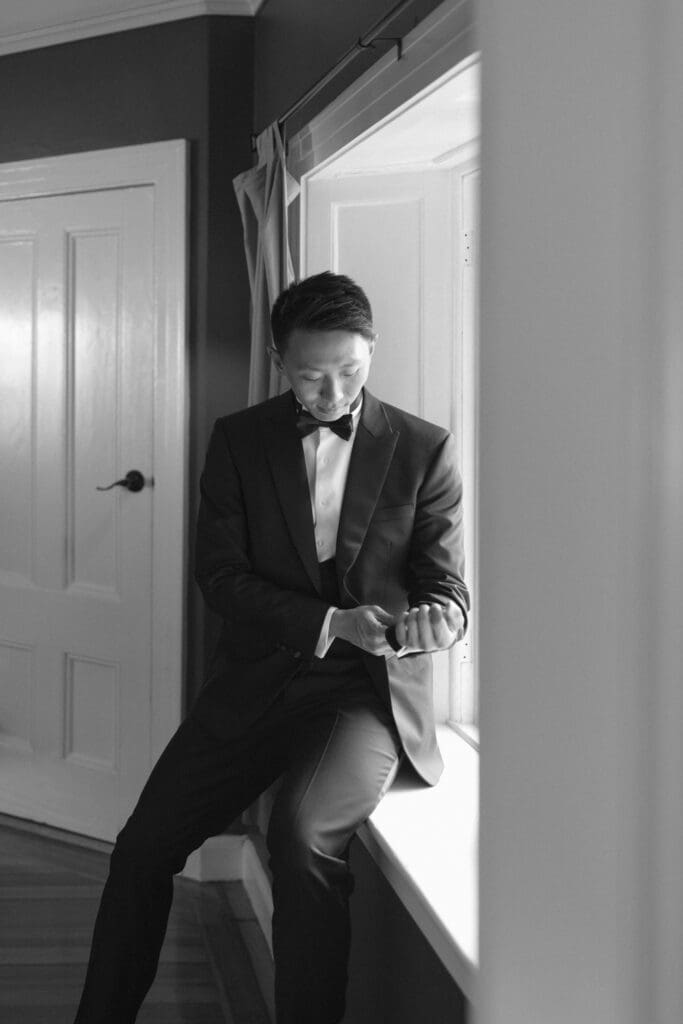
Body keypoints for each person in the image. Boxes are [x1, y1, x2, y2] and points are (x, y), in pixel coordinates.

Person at [73, 271, 469, 1024]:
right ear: (279, 359)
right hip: (254, 683)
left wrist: (436, 621)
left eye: (349, 372)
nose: (330, 394)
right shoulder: (239, 439)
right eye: (310, 375)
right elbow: (218, 578)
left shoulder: (424, 448)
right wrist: (326, 622)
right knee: (140, 851)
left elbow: (445, 588)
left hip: (360, 698)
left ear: (371, 352)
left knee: (301, 841)